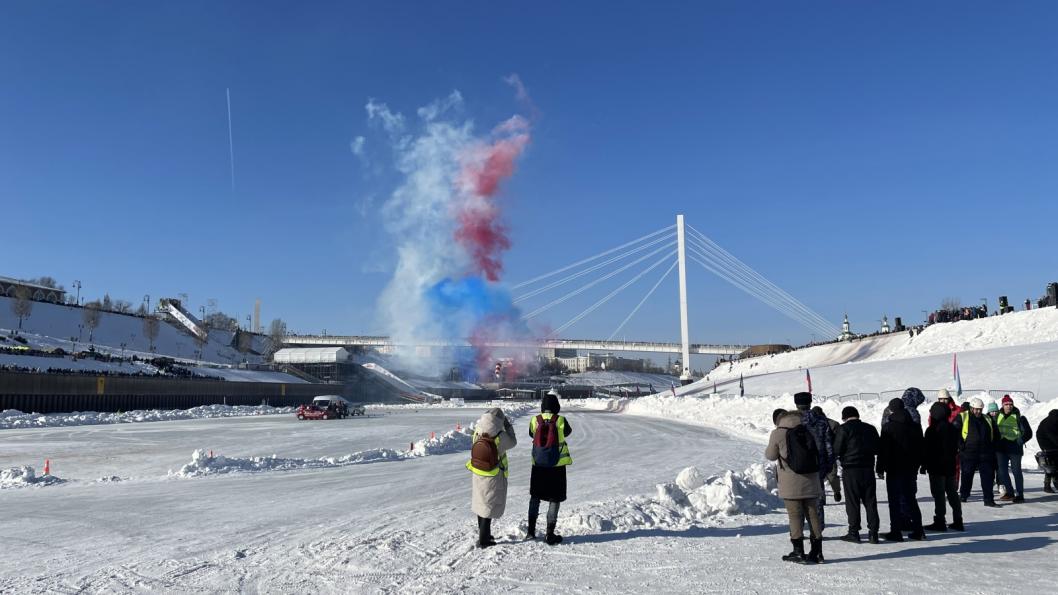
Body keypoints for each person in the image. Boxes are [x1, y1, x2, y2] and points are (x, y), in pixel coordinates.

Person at [766, 411, 824, 564]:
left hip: (791, 483)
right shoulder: (808, 429)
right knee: (813, 515)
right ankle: (817, 552)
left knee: (795, 516)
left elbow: (771, 455)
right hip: (811, 479)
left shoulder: (778, 433)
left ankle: (798, 552)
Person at [526, 390, 573, 545]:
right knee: (554, 498)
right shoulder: (560, 420)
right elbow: (568, 432)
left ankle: (531, 532)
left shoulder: (535, 420)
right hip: (556, 467)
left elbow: (532, 434)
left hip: (538, 465)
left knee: (535, 497)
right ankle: (549, 534)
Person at [467, 407, 518, 548]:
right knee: (488, 506)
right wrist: (508, 426)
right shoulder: (500, 436)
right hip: (493, 473)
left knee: (480, 503)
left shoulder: (478, 430)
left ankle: (484, 534)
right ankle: (484, 540)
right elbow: (513, 442)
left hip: (478, 471)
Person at [877, 398, 926, 541]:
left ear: (891, 410)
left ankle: (896, 532)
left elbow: (883, 450)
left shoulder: (888, 427)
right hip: (910, 469)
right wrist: (921, 464)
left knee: (894, 501)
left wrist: (879, 468)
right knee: (911, 499)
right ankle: (919, 530)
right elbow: (921, 447)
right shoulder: (915, 426)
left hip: (893, 469)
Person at [832, 406, 880, 544]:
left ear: (844, 417)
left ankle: (854, 532)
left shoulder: (843, 429)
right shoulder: (870, 428)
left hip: (851, 470)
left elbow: (837, 449)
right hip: (868, 469)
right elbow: (877, 448)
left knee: (852, 501)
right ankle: (873, 533)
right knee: (870, 501)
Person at [793, 392, 835, 530]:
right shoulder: (821, 421)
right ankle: (818, 528)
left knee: (798, 499)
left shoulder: (793, 421)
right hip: (818, 464)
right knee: (816, 498)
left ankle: (799, 529)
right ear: (810, 403)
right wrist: (829, 464)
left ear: (796, 404)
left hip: (797, 465)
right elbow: (828, 443)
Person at [923, 402, 964, 532]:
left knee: (939, 494)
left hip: (936, 467)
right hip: (950, 466)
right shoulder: (953, 428)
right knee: (952, 493)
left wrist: (924, 464)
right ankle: (958, 520)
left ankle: (940, 521)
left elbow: (927, 450)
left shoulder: (932, 430)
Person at [958, 397, 999, 507]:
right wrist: (961, 446)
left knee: (988, 477)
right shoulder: (963, 416)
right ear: (971, 408)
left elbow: (995, 434)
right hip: (969, 453)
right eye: (976, 409)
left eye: (980, 409)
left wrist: (993, 447)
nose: (978, 411)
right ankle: (963, 495)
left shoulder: (987, 419)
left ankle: (989, 499)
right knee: (967, 475)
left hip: (985, 453)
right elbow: (954, 432)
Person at [996, 395, 1032, 503]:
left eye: (1011, 404)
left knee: (1016, 471)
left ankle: (1020, 494)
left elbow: (1028, 433)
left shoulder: (1020, 417)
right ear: (1002, 405)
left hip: (1015, 448)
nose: (1009, 406)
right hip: (1001, 448)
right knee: (1002, 472)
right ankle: (1010, 493)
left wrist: (1020, 440)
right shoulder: (997, 416)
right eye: (1006, 404)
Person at [812, 406, 842, 503]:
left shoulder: (833, 424)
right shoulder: (812, 424)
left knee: (831, 476)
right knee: (823, 477)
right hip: (819, 455)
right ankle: (822, 497)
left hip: (829, 455)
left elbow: (839, 439)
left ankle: (836, 491)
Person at [1037, 409, 1058, 493]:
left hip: (1051, 445)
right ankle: (1048, 485)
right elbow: (1053, 437)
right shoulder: (1049, 423)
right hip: (1047, 445)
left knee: (1052, 465)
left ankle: (1049, 484)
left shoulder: (1053, 420)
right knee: (1050, 465)